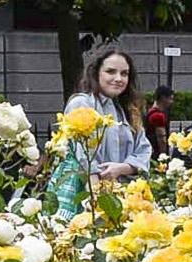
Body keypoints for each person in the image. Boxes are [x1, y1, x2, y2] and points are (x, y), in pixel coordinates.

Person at [59, 47, 152, 183]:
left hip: (123, 194)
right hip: (88, 193)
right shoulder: (81, 104)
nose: (118, 78)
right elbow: (82, 157)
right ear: (96, 73)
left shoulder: (128, 110)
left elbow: (144, 151)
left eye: (124, 73)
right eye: (110, 72)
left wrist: (122, 168)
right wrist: (95, 198)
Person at [145, 86, 174, 157]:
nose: (171, 102)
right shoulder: (158, 116)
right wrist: (164, 156)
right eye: (170, 99)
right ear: (163, 98)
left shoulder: (149, 112)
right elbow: (162, 139)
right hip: (156, 153)